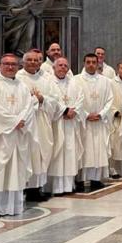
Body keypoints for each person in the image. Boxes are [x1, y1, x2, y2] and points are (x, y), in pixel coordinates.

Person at [0, 53, 36, 216]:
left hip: (18, 136)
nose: (10, 67)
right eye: (6, 64)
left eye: (13, 64)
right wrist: (14, 121)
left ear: (18, 67)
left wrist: (22, 120)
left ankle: (12, 206)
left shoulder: (22, 86)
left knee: (15, 171)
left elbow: (29, 106)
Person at [16, 50, 60, 200]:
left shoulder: (46, 79)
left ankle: (37, 187)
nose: (33, 63)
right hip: (26, 123)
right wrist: (32, 100)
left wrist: (42, 99)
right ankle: (25, 187)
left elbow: (55, 100)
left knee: (41, 154)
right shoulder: (17, 78)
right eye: (30, 60)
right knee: (28, 153)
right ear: (23, 62)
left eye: (36, 60)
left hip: (41, 120)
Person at [74, 53, 114, 191]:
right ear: (84, 63)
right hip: (83, 122)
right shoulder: (76, 80)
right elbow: (75, 101)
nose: (91, 65)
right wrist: (85, 115)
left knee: (98, 150)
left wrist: (101, 114)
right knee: (84, 150)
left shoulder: (105, 81)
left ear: (98, 64)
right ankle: (80, 179)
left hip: (99, 121)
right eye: (88, 62)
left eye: (93, 62)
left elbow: (110, 100)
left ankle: (96, 179)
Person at [47, 57, 84, 195]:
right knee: (56, 154)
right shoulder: (48, 83)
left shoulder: (74, 83)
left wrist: (74, 111)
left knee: (70, 153)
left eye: (65, 66)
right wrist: (64, 110)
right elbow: (49, 100)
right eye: (60, 65)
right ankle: (55, 187)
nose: (63, 68)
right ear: (54, 68)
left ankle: (68, 186)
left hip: (71, 124)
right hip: (56, 123)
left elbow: (81, 99)